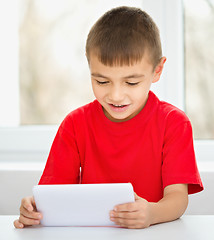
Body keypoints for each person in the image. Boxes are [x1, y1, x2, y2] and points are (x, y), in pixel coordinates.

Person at [14, 6, 203, 229]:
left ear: (157, 71)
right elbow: (53, 195)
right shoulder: (75, 125)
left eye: (131, 83)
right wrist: (35, 210)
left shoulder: (174, 123)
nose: (115, 95)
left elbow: (177, 199)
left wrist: (152, 213)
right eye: (102, 82)